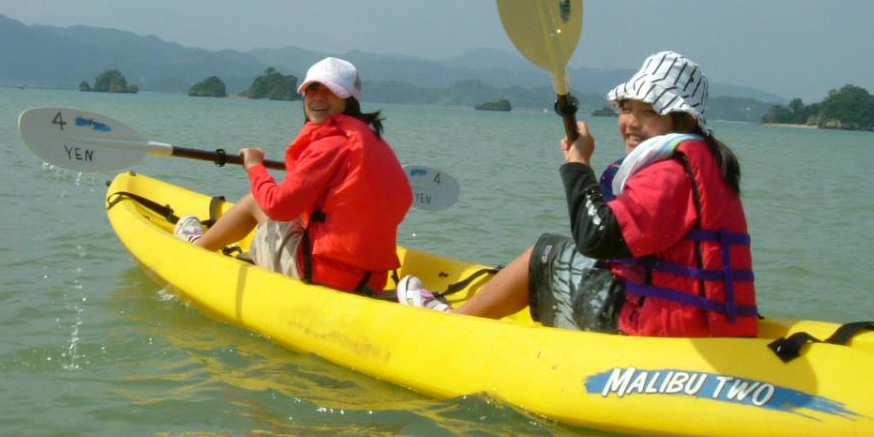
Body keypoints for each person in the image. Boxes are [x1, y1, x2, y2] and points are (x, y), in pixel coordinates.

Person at [397, 50, 759, 338]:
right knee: (567, 255)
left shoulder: (670, 172)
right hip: (704, 320)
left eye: (649, 112)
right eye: (627, 108)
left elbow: (595, 237)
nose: (632, 122)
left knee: (545, 253)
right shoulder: (704, 163)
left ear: (682, 121)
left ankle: (454, 322)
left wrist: (577, 165)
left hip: (661, 326)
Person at [176, 57, 414, 295]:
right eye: (311, 89)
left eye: (331, 90)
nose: (318, 97)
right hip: (370, 280)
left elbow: (277, 206)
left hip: (323, 274)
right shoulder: (377, 143)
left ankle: (197, 249)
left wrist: (254, 166)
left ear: (349, 98)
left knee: (255, 200)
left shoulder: (331, 143)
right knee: (299, 215)